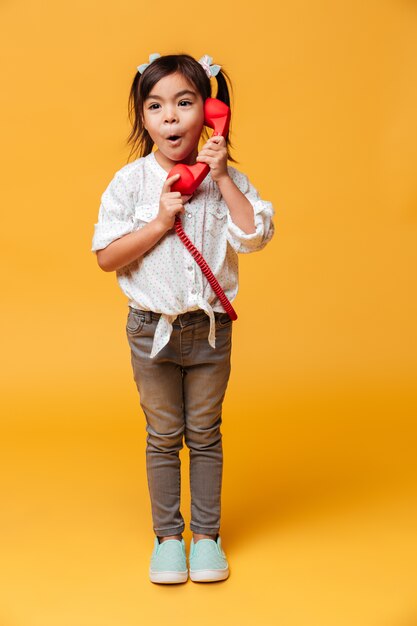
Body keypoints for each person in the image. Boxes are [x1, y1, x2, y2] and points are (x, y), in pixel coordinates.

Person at [91, 52, 275, 584]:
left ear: (213, 112)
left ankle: (208, 538)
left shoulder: (228, 180)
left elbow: (255, 236)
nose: (170, 116)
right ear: (143, 119)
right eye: (156, 105)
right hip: (151, 329)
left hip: (210, 330)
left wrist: (221, 178)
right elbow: (107, 257)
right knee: (163, 434)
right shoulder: (130, 183)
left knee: (206, 432)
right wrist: (159, 221)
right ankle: (168, 539)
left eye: (185, 102)